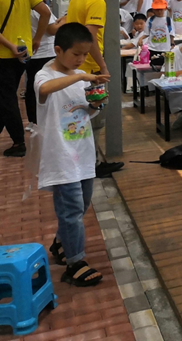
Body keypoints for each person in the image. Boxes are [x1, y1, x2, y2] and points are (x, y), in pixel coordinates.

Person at [34, 22, 110, 286]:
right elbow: (44, 90)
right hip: (61, 157)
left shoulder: (79, 77)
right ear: (58, 50)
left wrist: (96, 104)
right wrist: (80, 77)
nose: (81, 60)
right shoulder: (44, 75)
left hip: (83, 154)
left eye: (85, 55)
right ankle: (75, 263)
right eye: (76, 54)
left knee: (81, 205)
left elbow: (84, 113)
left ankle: (60, 243)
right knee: (71, 209)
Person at [64, 0, 127, 96]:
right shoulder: (97, 0)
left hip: (74, 61)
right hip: (88, 66)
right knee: (93, 105)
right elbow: (90, 35)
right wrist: (102, 66)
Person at [25, 0, 64, 125]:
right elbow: (51, 29)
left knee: (32, 86)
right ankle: (38, 120)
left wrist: (59, 21)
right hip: (43, 52)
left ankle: (33, 120)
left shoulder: (30, 4)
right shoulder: (41, 7)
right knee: (42, 87)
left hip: (34, 52)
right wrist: (66, 20)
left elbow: (51, 24)